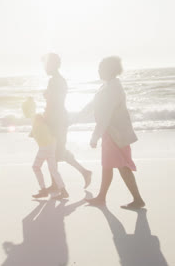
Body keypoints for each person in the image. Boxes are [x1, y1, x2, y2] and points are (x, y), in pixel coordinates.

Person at [85, 56, 145, 209]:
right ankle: (101, 197)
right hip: (111, 133)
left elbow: (105, 116)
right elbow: (92, 105)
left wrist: (94, 136)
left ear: (109, 69)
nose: (98, 70)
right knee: (108, 165)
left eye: (101, 67)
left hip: (116, 134)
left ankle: (137, 199)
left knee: (122, 166)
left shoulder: (112, 88)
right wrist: (74, 118)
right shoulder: (107, 85)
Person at [42, 53, 92, 192]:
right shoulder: (58, 80)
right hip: (59, 118)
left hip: (56, 119)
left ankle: (79, 174)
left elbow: (55, 102)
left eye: (46, 65)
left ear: (54, 65)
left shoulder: (55, 81)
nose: (45, 68)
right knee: (56, 151)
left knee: (54, 152)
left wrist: (47, 100)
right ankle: (59, 182)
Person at [22, 96, 69, 199]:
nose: (23, 113)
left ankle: (43, 190)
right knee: (53, 169)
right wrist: (32, 133)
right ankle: (63, 191)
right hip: (51, 144)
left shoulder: (36, 117)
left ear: (27, 109)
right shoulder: (35, 117)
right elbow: (40, 127)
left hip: (46, 146)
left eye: (24, 110)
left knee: (36, 167)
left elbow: (42, 124)